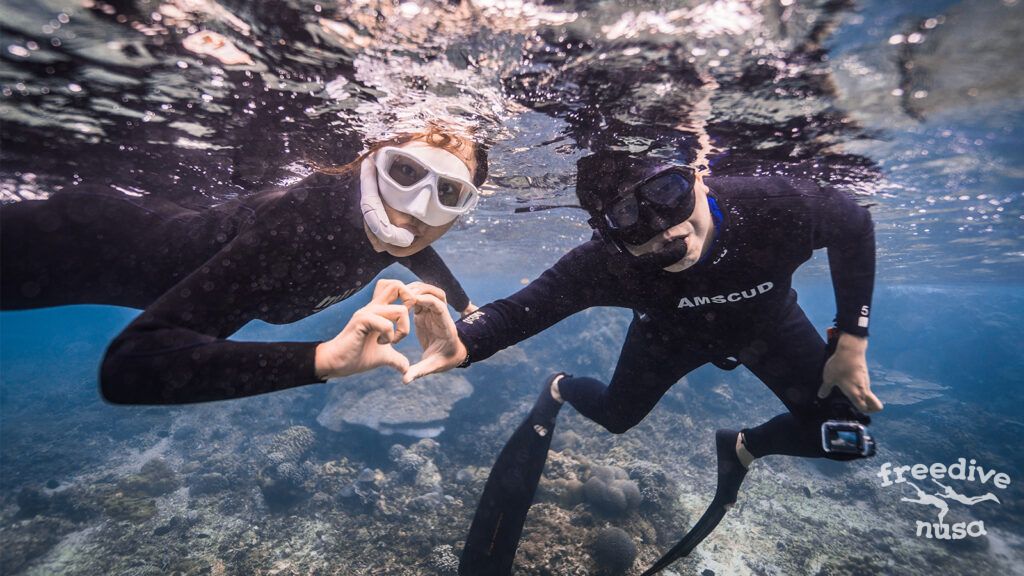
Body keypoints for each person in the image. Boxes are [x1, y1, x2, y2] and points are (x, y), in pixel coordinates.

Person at [401, 150, 884, 575]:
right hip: (667, 336)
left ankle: (742, 446)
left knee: (846, 438)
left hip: (769, 326)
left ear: (695, 177)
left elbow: (854, 224)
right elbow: (520, 310)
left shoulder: (768, 206)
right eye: (630, 217)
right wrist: (461, 345)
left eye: (668, 192)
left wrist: (851, 341)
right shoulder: (606, 263)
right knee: (616, 417)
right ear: (610, 237)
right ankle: (561, 386)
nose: (665, 228)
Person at [1, 126, 487, 404]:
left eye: (448, 194)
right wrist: (324, 360)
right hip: (64, 241)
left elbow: (411, 244)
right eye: (404, 171)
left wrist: (469, 310)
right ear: (370, 162)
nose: (419, 207)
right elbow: (130, 367)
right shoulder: (300, 223)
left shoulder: (392, 228)